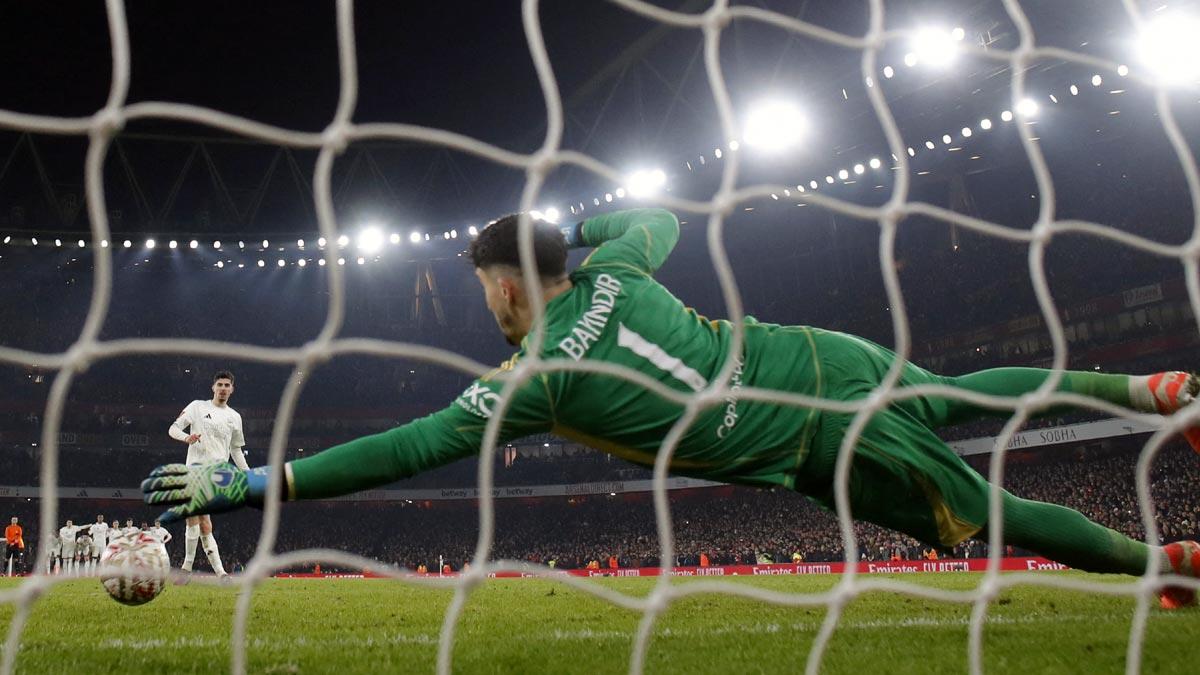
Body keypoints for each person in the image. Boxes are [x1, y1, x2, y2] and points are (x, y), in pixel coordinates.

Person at [143, 208, 1200, 608]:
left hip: (813, 438)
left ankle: (1166, 564)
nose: (484, 305)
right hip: (813, 354)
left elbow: (412, 445)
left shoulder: (536, 377)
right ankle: (1151, 394)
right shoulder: (619, 268)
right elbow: (659, 218)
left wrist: (258, 483)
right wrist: (587, 228)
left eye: (483, 287)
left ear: (509, 284)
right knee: (964, 396)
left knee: (993, 512)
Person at [166, 370, 248, 578]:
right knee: (198, 518)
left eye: (226, 385)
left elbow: (236, 449)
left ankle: (190, 569)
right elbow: (173, 429)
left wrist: (248, 472)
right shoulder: (197, 407)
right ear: (213, 387)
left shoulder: (234, 417)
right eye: (219, 384)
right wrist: (187, 438)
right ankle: (218, 572)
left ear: (232, 389)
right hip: (194, 468)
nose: (222, 388)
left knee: (202, 522)